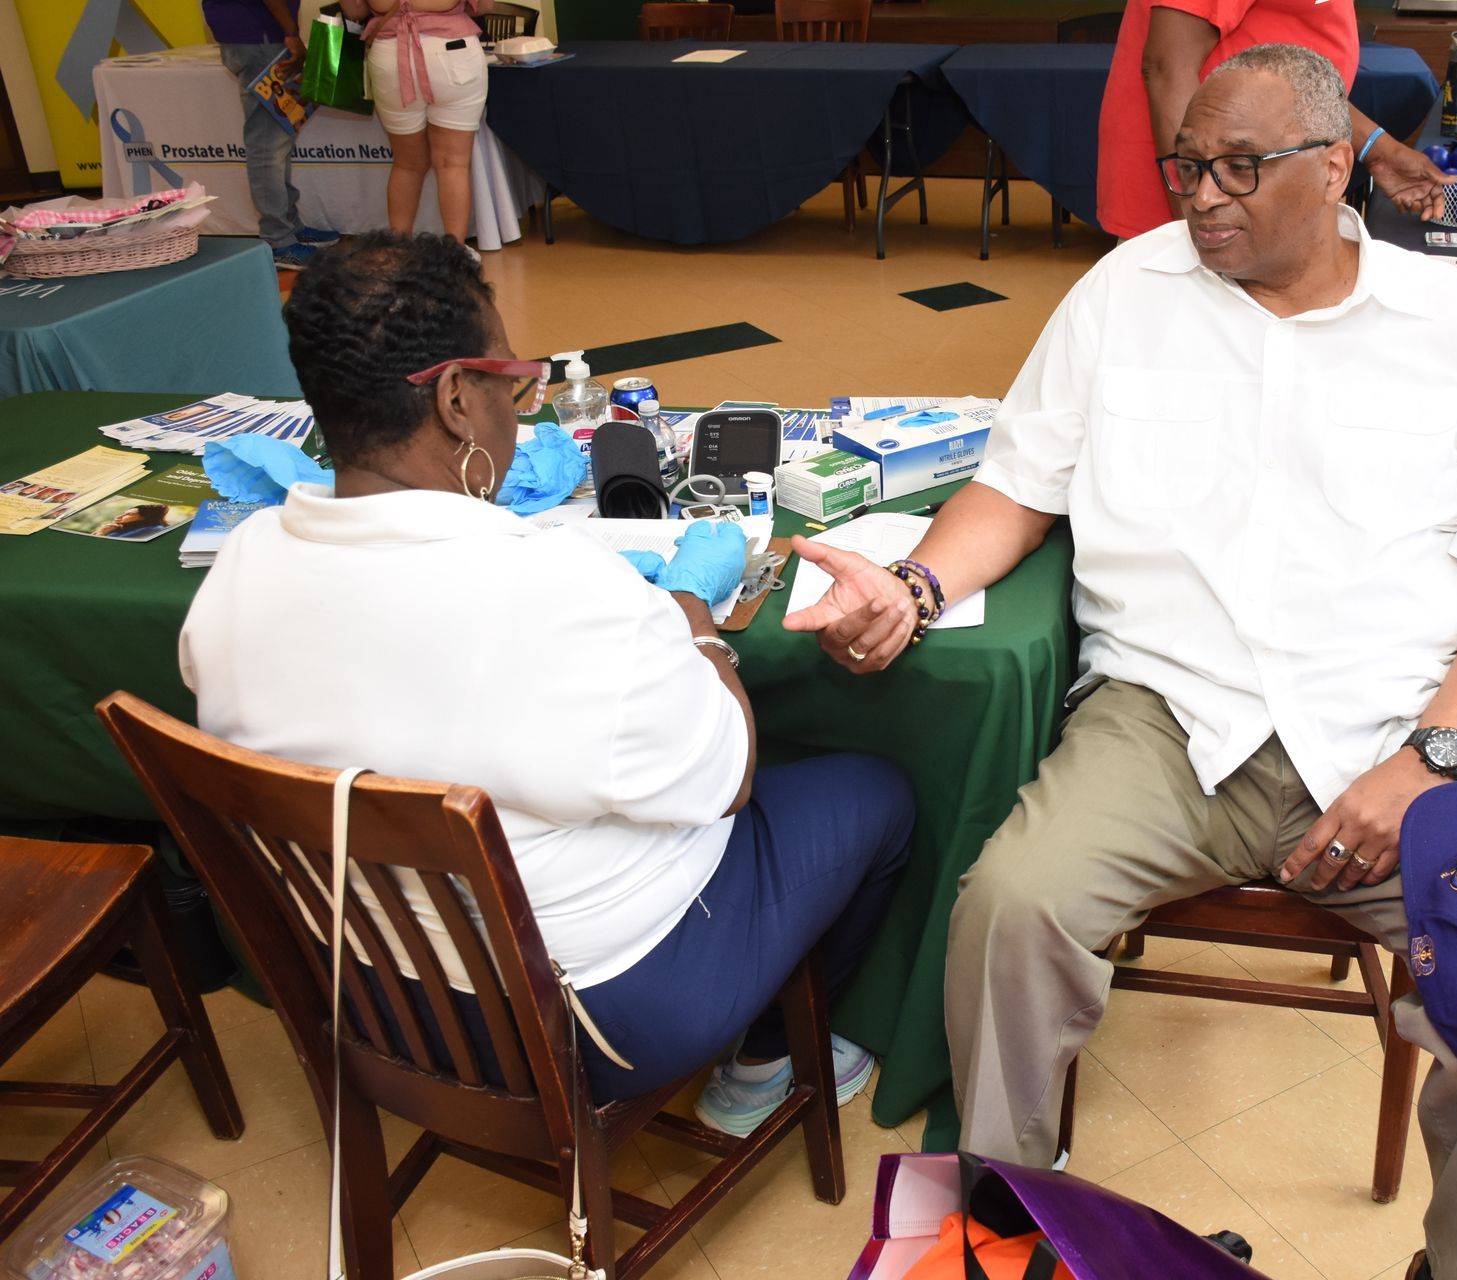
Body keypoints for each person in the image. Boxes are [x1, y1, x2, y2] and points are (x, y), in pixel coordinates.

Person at [789, 45, 1457, 1280]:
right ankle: (1013, 1230)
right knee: (1011, 906)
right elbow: (1016, 485)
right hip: (1171, 717)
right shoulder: (1124, 292)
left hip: (1405, 726)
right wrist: (918, 583)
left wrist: (1430, 759)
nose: (1202, 196)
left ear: (1334, 171)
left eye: (1238, 169)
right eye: (1187, 167)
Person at [179, 233, 913, 1135]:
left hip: (371, 1000)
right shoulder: (556, 587)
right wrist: (697, 628)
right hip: (598, 1022)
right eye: (513, 386)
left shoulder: (242, 566)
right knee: (872, 794)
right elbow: (726, 782)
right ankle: (762, 1066)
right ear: (456, 397)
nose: (518, 418)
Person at [1096, 0, 1452, 239]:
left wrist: (1378, 150)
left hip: (1246, 187)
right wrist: (1199, 221)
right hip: (1194, 197)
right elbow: (1168, 67)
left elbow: (1288, 82)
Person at [337, 0, 494, 249]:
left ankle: (398, 252)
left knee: (407, 165)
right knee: (452, 164)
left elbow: (355, 11)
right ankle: (454, 255)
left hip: (390, 56)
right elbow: (483, 5)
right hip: (452, 53)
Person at [200, 0, 341, 270]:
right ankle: (279, 240)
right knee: (268, 143)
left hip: (255, 34)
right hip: (261, 35)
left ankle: (288, 227)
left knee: (278, 135)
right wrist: (290, 32)